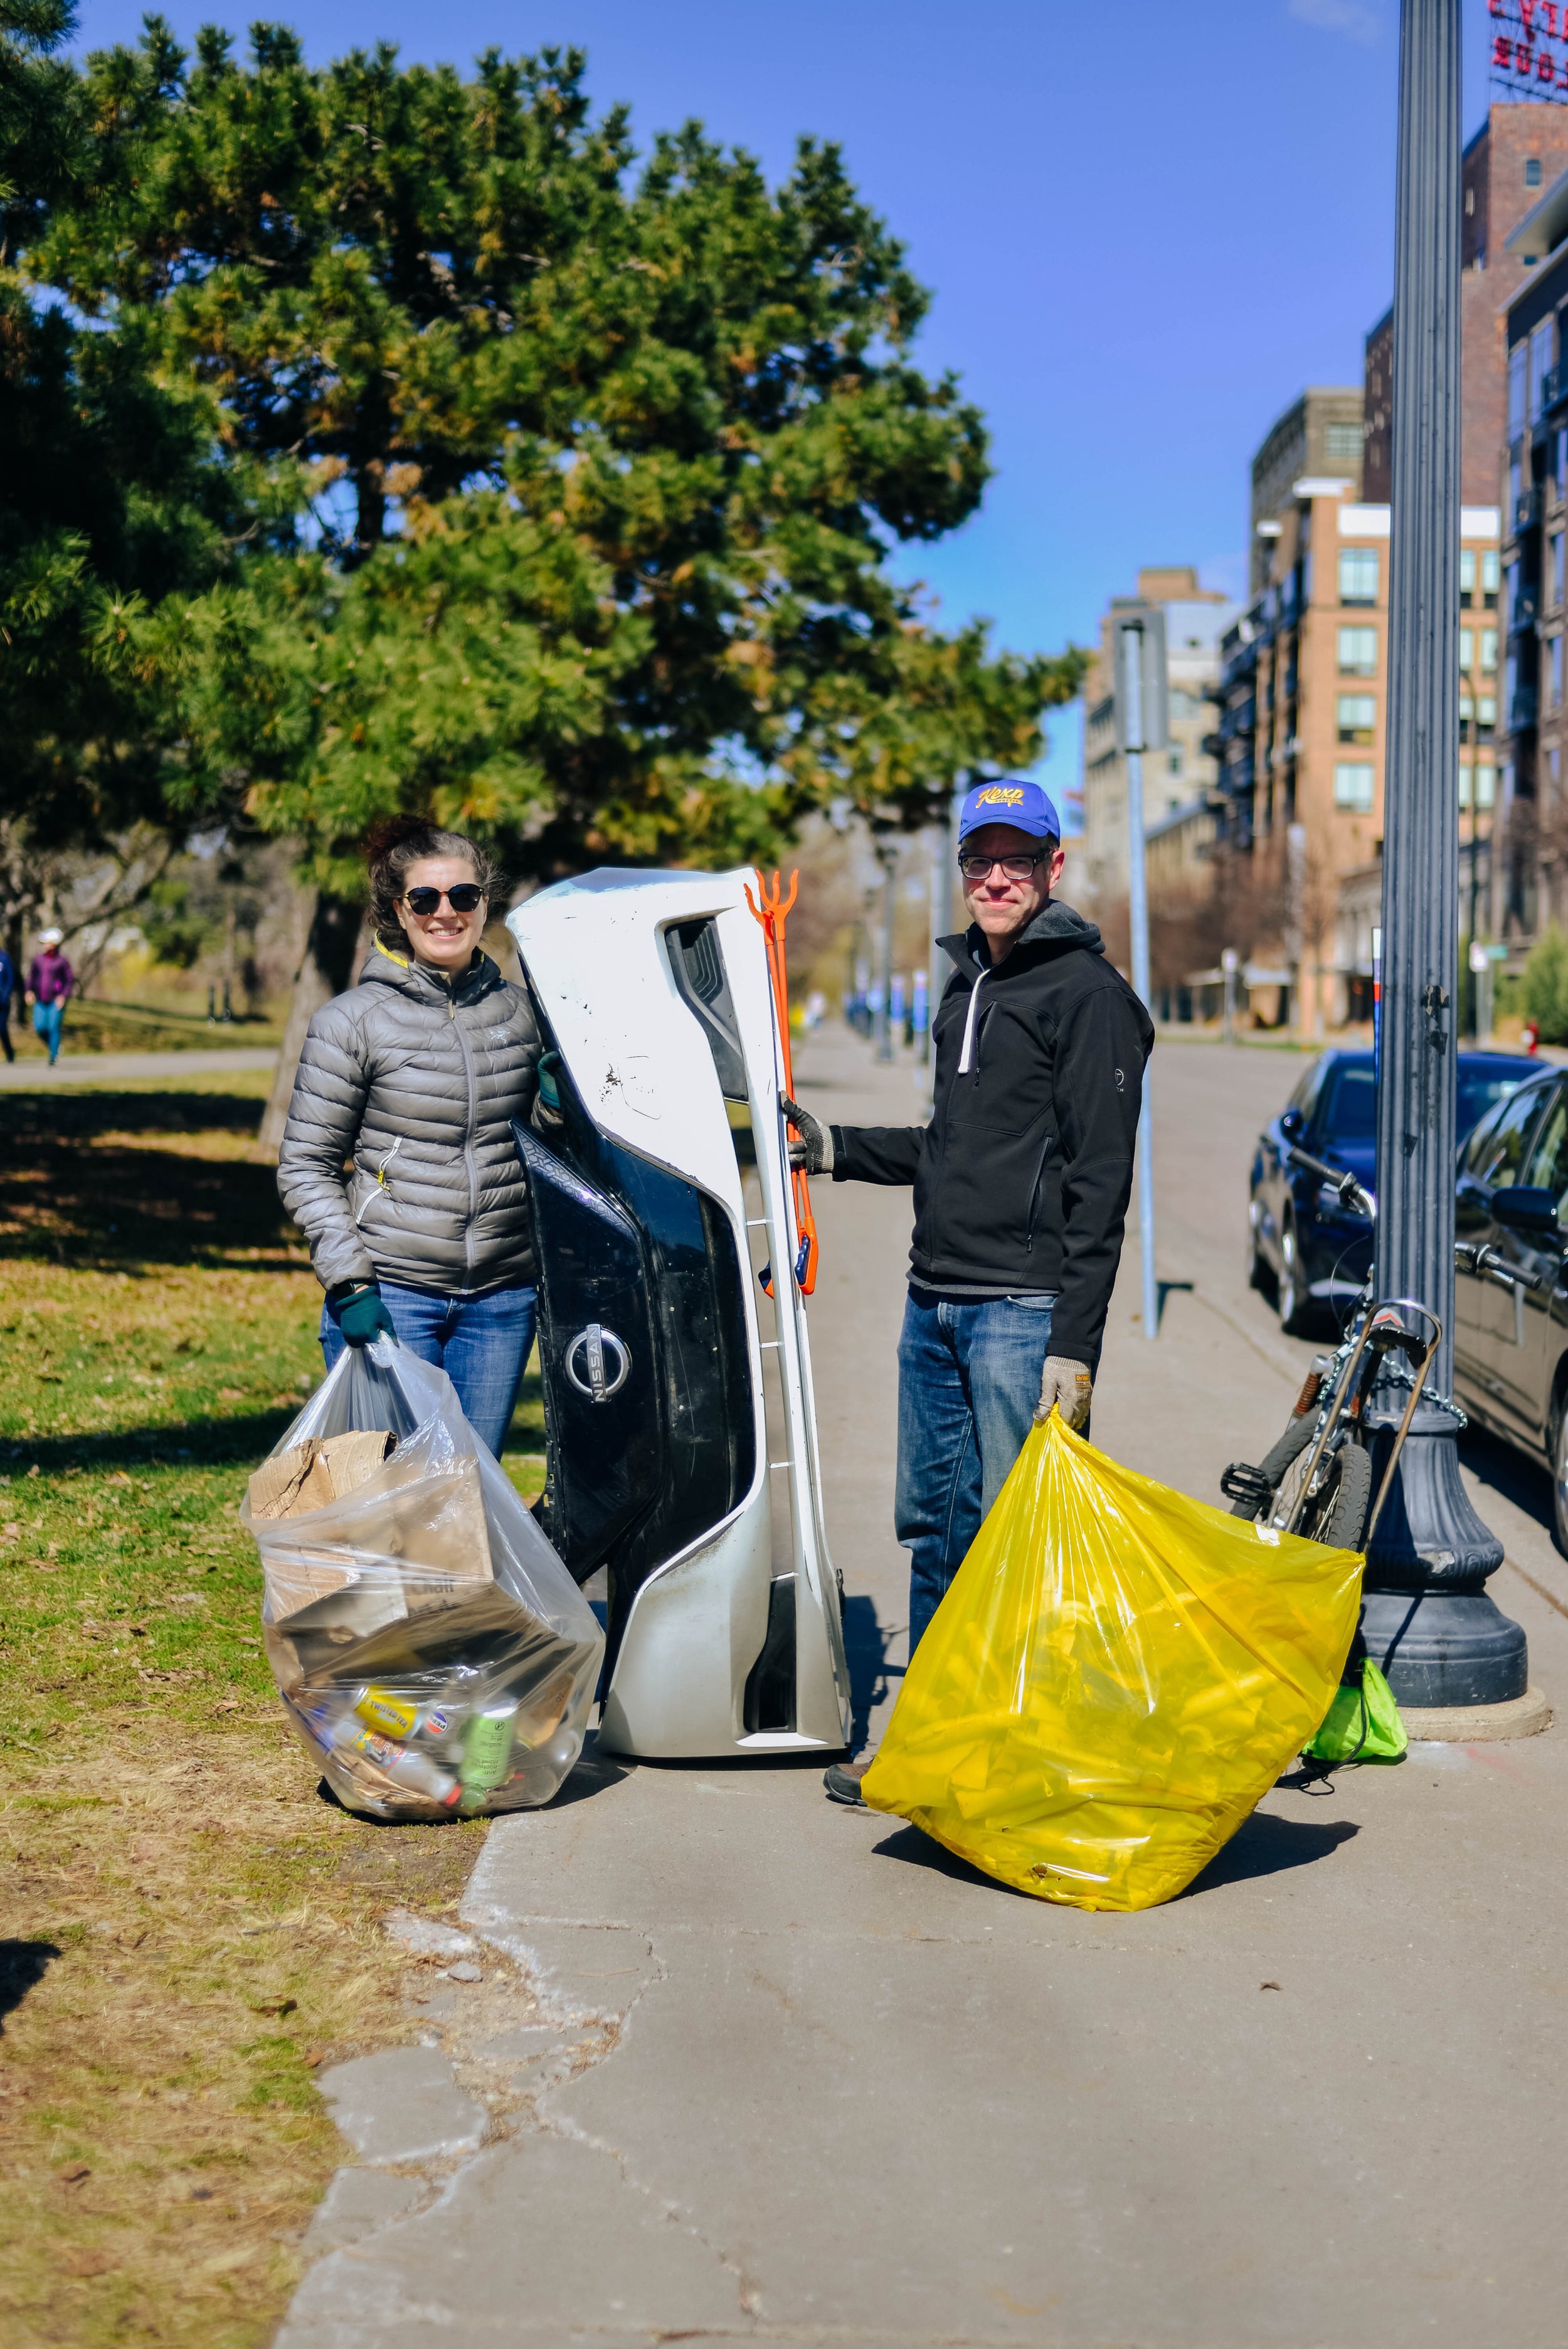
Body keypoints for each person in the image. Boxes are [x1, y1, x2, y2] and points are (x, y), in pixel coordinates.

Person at [786, 780, 1154, 1806]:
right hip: (933, 1304)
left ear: (1052, 869)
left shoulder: (1086, 998)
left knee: (1018, 1546)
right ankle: (928, 1742)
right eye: (981, 859)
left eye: (1019, 858)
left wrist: (1073, 1349)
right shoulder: (966, 986)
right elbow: (955, 1152)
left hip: (1021, 1316)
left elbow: (1099, 1186)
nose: (997, 876)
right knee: (937, 1532)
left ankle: (1020, 1764)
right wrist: (836, 1148)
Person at [277, 817, 542, 1458]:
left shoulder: (523, 1013)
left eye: (464, 896)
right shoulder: (352, 1021)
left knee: (468, 1499)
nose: (445, 913)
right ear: (398, 910)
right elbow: (306, 1165)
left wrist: (559, 1107)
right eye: (425, 898)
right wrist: (350, 1283)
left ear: (485, 904)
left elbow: (544, 1151)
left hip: (501, 1301)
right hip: (393, 1294)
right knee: (392, 1499)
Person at [26, 928, 75, 1065]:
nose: (44, 945)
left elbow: (69, 981)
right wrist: (28, 991)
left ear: (54, 944)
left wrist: (63, 996)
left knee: (54, 1027)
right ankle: (54, 1047)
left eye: (46, 942)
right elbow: (32, 977)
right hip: (41, 1000)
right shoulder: (38, 960)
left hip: (56, 1000)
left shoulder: (62, 961)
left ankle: (53, 1056)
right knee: (40, 1027)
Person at [0, 939, 14, 1063]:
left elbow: (10, 979)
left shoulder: (4, 958)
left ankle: (10, 1052)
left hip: (2, 1002)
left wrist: (5, 995)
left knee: (2, 1028)